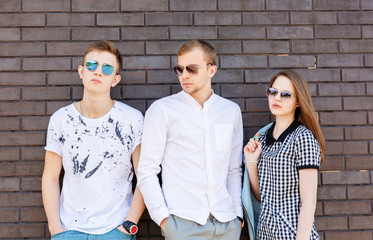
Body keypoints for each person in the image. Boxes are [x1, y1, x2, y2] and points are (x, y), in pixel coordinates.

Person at [137, 39, 244, 239]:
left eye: (192, 69)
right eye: (180, 69)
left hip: (227, 224)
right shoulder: (163, 110)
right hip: (182, 225)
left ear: (211, 70)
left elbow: (233, 169)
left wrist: (237, 215)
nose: (184, 76)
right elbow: (147, 170)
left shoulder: (231, 111)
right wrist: (164, 220)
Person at [42, 41, 145, 240]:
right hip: (70, 230)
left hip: (116, 230)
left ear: (115, 79)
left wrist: (129, 225)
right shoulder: (61, 119)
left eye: (106, 68)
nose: (98, 72)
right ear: (81, 71)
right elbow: (50, 177)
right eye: (91, 65)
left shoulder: (132, 120)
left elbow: (145, 176)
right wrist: (56, 229)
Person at [244, 70, 325, 239]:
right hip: (265, 235)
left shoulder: (303, 138)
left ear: (298, 102)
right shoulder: (263, 138)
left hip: (292, 235)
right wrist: (251, 162)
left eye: (286, 94)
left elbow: (309, 202)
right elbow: (262, 196)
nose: (277, 98)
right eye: (273, 92)